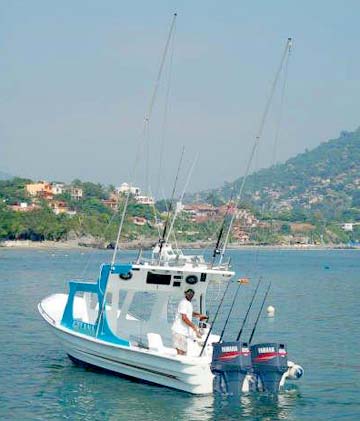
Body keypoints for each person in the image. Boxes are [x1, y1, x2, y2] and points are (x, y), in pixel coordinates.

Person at [171, 289, 208, 355]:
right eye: (189, 293)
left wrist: (199, 315)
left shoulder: (188, 303)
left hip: (183, 332)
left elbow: (190, 313)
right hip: (179, 331)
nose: (190, 295)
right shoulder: (183, 303)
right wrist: (194, 327)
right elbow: (184, 318)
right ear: (185, 294)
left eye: (192, 294)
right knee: (181, 352)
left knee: (184, 352)